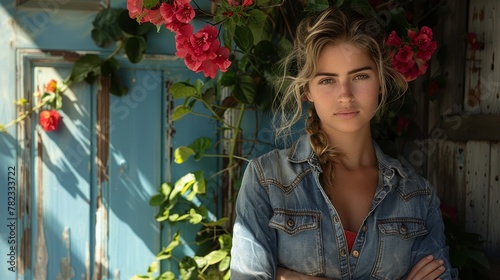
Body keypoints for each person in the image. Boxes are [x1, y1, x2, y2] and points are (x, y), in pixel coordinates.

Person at [230, 6, 458, 280]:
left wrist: (289, 276)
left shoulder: (417, 197)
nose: (345, 95)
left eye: (360, 76)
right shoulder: (266, 181)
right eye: (327, 80)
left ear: (381, 81)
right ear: (307, 89)